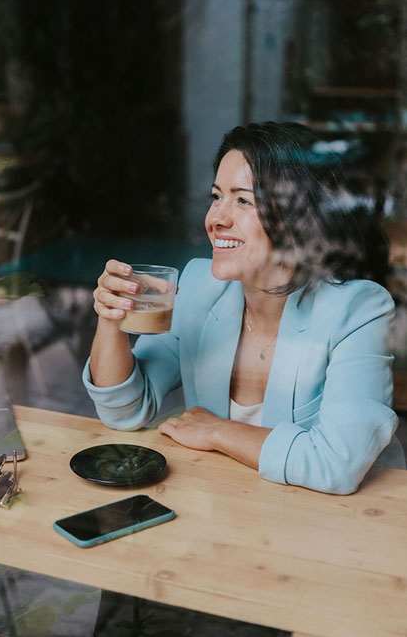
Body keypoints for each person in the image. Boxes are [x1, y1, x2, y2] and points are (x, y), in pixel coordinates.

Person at [83, 122, 406, 495]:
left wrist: (217, 430)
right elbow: (125, 410)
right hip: (235, 507)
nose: (216, 218)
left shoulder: (358, 309)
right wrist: (111, 318)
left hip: (347, 523)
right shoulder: (200, 287)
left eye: (243, 200)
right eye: (216, 196)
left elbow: (337, 464)